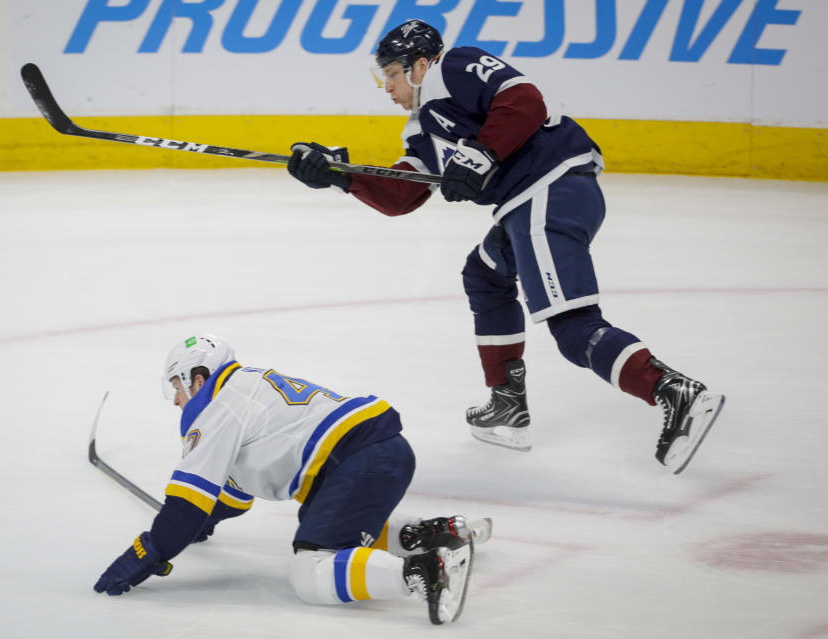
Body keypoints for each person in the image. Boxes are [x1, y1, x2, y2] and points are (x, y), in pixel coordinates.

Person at [286, 19, 725, 474]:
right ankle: (507, 402)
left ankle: (672, 389)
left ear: (420, 64)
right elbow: (402, 195)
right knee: (484, 274)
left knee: (573, 327)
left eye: (393, 73)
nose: (387, 86)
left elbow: (523, 100)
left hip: (547, 189)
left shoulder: (452, 66)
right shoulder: (420, 130)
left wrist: (481, 154)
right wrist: (340, 176)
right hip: (526, 204)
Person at [92, 333, 492, 625]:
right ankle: (431, 533)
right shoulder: (246, 386)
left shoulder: (215, 409)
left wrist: (151, 549)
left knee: (310, 568)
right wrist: (199, 522)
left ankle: (423, 570)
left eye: (177, 386)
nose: (177, 400)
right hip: (380, 452)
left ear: (198, 377)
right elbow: (230, 495)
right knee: (332, 521)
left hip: (359, 460)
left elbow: (188, 504)